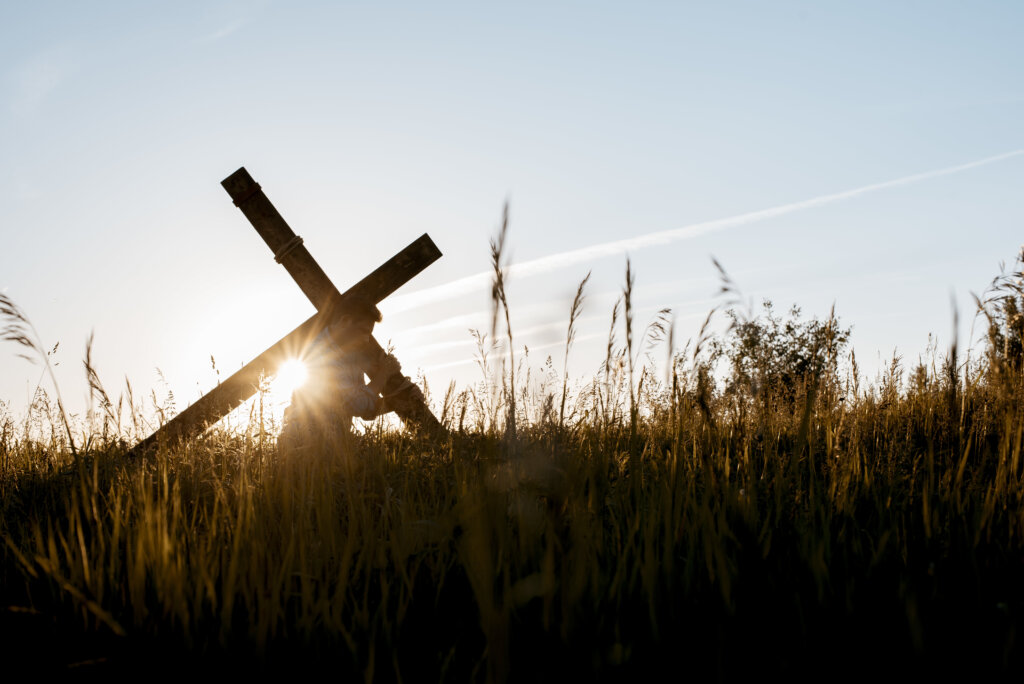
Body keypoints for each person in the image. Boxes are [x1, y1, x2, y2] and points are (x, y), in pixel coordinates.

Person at [279, 301, 403, 451]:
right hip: (303, 448)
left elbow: (360, 406)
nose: (366, 339)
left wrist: (399, 401)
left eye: (369, 333)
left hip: (329, 445)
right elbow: (358, 404)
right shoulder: (320, 354)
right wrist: (384, 374)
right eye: (363, 331)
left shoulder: (350, 355)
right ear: (345, 321)